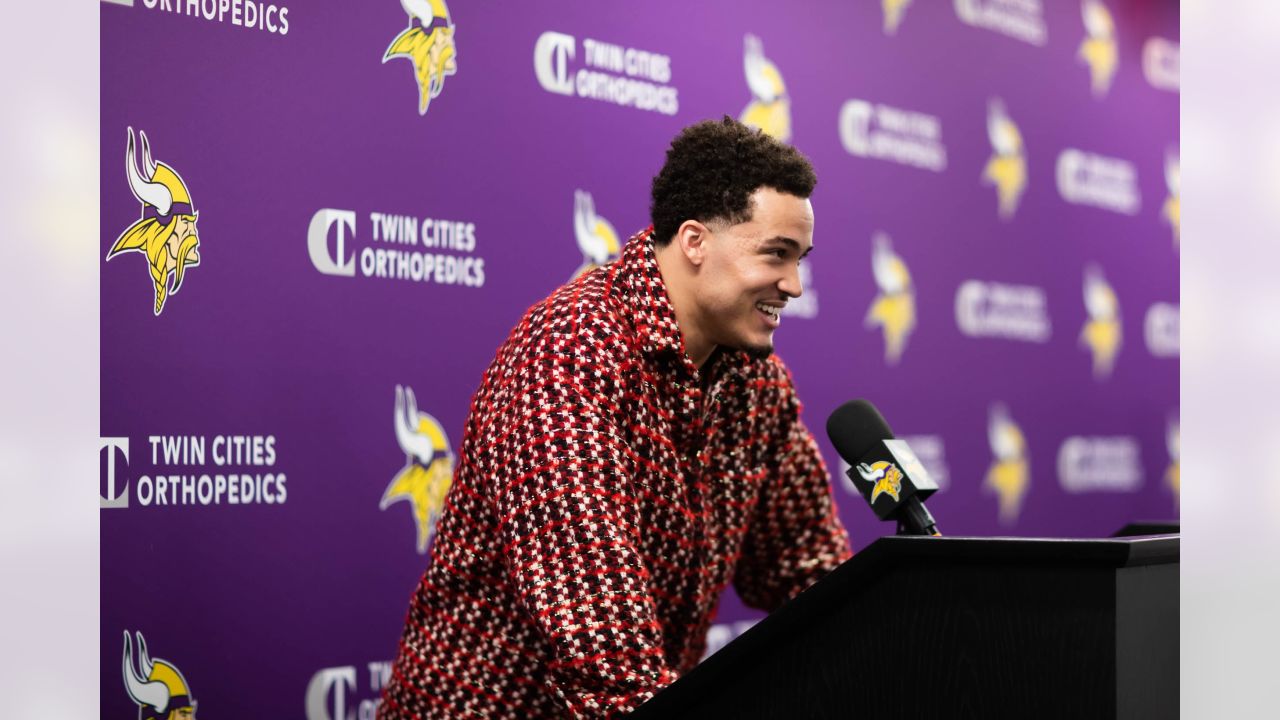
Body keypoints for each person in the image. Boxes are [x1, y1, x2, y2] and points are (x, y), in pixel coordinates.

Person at [377, 117, 852, 719]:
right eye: (776, 255)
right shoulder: (571, 350)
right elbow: (600, 641)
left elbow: (804, 563)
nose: (796, 285)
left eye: (801, 258)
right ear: (695, 241)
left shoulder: (755, 381)